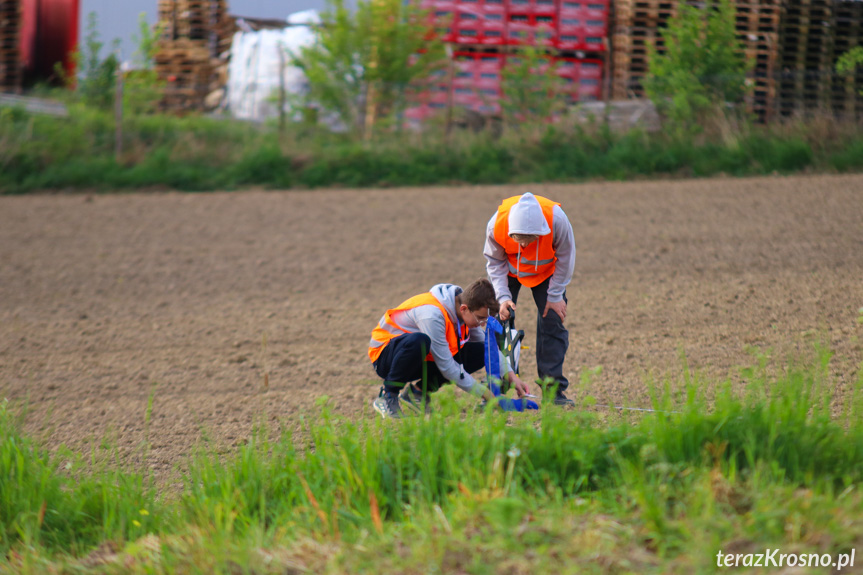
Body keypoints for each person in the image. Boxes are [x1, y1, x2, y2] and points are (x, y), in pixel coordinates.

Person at [369, 279, 530, 419]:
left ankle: (417, 394)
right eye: (481, 318)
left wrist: (511, 376)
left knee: (478, 352)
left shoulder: (464, 307)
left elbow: (489, 350)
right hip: (384, 355)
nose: (482, 324)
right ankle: (387, 395)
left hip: (416, 356)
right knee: (420, 341)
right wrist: (486, 394)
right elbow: (447, 367)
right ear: (464, 309)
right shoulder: (432, 315)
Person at [483, 192, 576, 406]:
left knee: (552, 321)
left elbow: (566, 257)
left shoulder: (557, 220)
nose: (524, 246)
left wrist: (554, 296)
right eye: (518, 239)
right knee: (498, 322)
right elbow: (494, 262)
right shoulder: (495, 225)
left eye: (530, 239)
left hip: (547, 273)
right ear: (510, 232)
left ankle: (553, 392)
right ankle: (496, 388)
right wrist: (503, 297)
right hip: (508, 270)